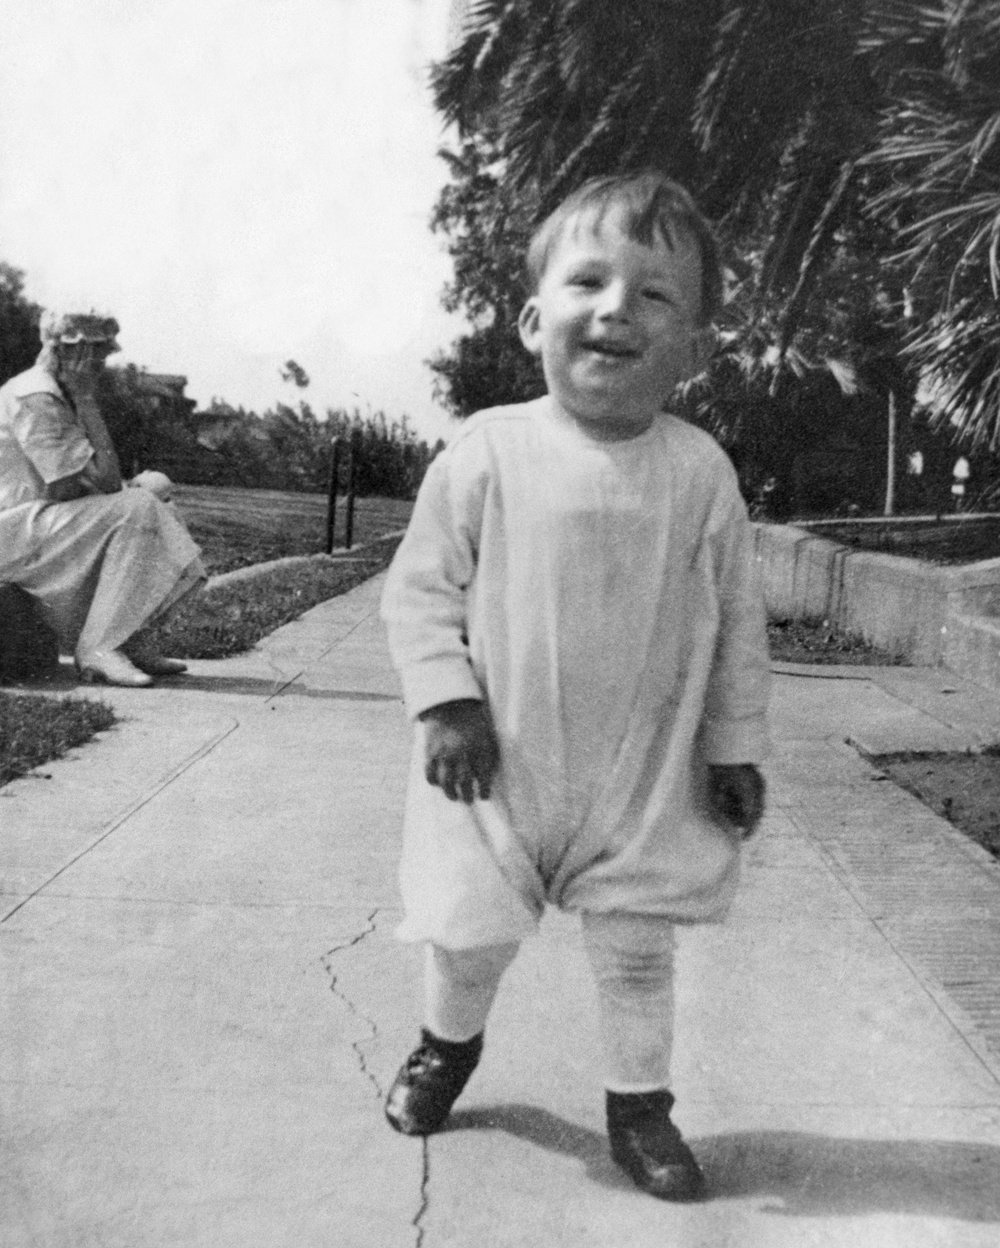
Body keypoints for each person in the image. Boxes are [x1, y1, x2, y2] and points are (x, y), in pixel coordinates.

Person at [379, 171, 771, 1201]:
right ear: (530, 315)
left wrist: (733, 744)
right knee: (467, 942)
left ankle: (638, 1106)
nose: (616, 309)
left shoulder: (699, 473)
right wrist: (446, 701)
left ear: (693, 343)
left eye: (655, 295)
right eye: (589, 280)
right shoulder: (486, 451)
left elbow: (735, 623)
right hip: (493, 765)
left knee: (639, 953)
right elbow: (420, 591)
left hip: (642, 775)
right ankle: (445, 1045)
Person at [0, 312, 204, 687]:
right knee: (138, 507)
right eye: (96, 353)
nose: (101, 363)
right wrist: (86, 398)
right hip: (13, 529)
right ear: (70, 351)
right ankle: (98, 647)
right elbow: (76, 485)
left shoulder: (56, 391)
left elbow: (95, 482)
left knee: (157, 498)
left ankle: (128, 637)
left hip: (35, 524)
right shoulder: (35, 395)